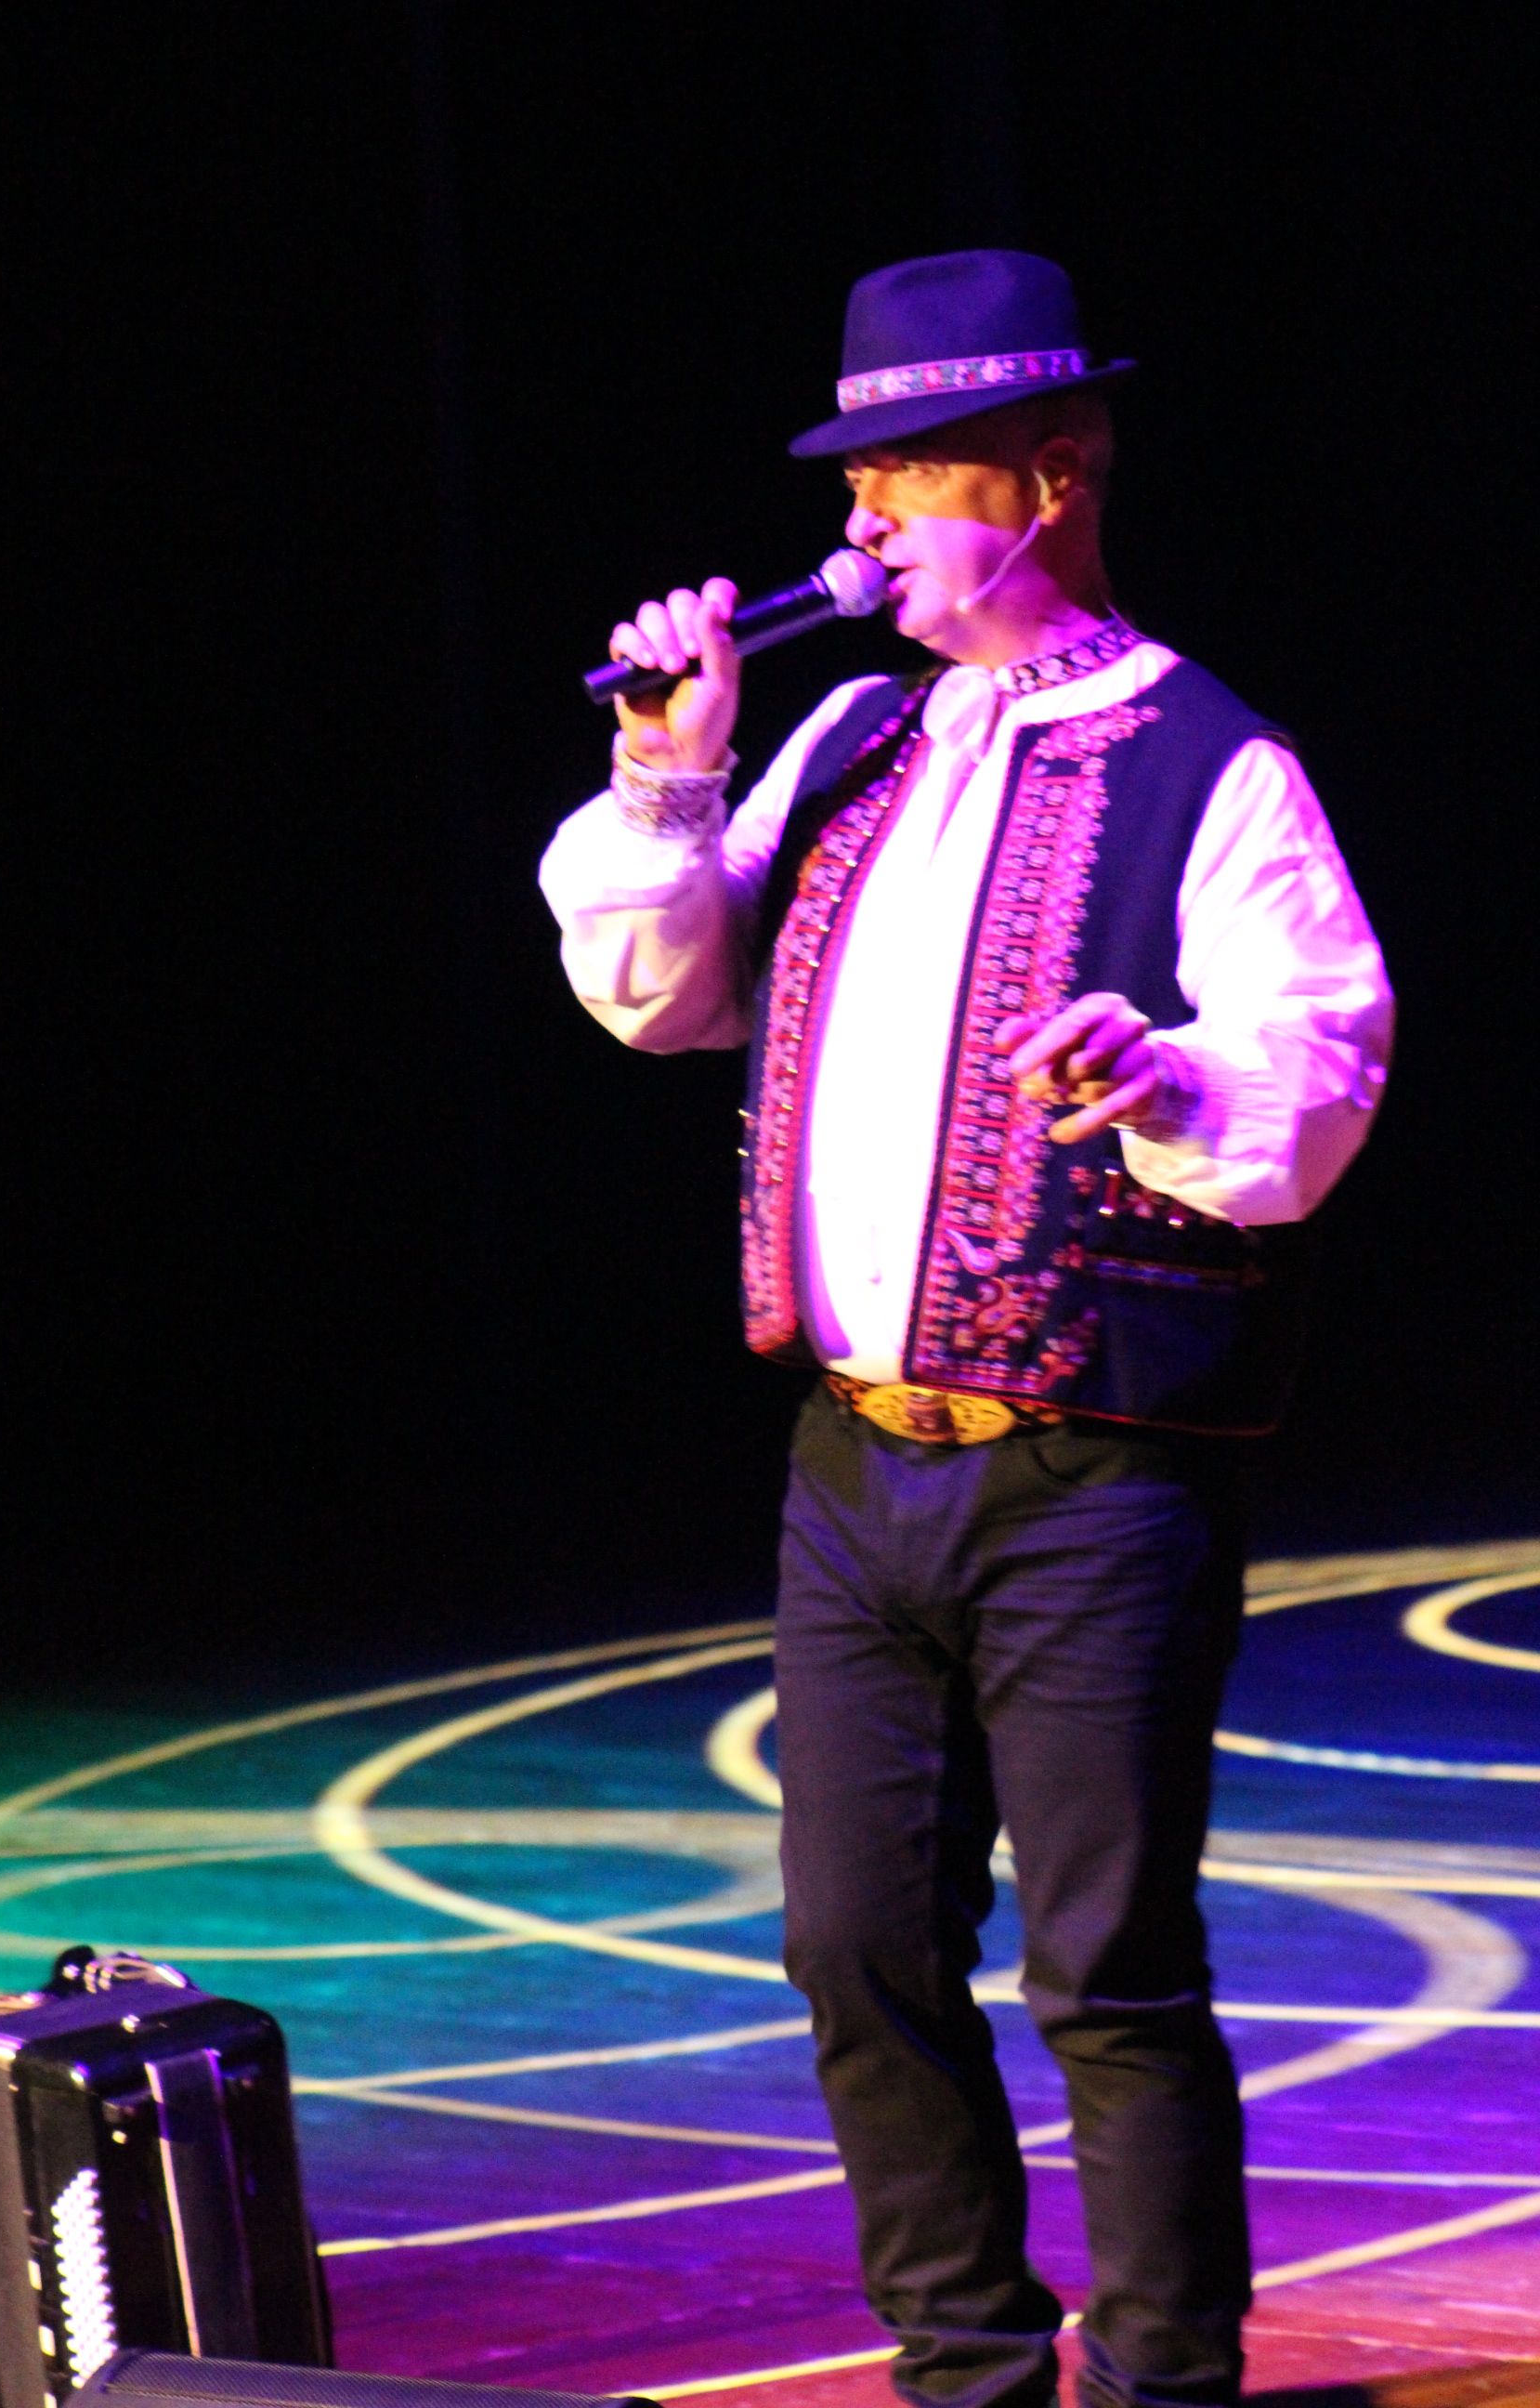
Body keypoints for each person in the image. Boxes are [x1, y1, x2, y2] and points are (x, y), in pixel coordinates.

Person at [540, 251, 1391, 2408]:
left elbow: (1316, 1076)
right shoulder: (847, 738)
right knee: (854, 1944)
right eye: (857, 479)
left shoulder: (1209, 759)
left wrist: (1169, 1076)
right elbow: (661, 1000)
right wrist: (664, 781)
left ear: (1055, 474)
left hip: (1093, 1469)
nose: (863, 523)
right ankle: (970, 2377)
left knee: (1108, 1966)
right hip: (854, 1465)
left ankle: (1168, 2387)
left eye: (912, 475)